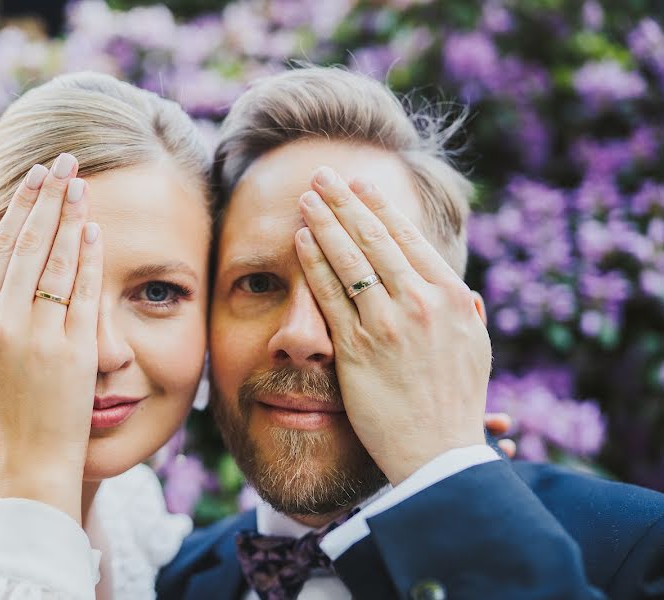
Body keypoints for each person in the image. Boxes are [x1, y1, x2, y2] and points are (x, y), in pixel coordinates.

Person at [0, 70, 515, 599]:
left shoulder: (138, 526)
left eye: (158, 292)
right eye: (56, 287)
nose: (102, 351)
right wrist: (30, 482)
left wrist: (431, 466)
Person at [156, 67, 664, 600]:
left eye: (363, 284)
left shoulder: (642, 550)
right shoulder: (176, 578)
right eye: (258, 283)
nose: (301, 335)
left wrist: (441, 470)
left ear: (462, 336)